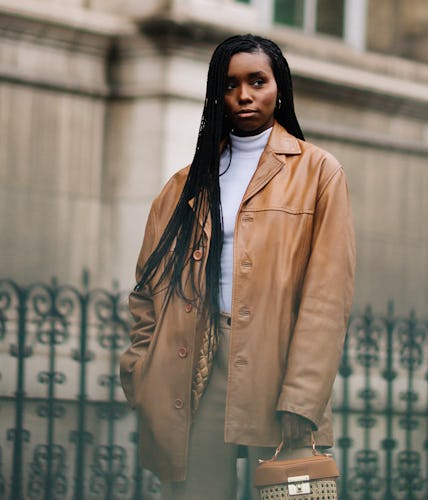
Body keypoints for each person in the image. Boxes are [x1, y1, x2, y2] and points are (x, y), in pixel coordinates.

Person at [120, 33, 356, 499]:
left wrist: (304, 395)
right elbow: (148, 287)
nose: (244, 95)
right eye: (230, 85)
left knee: (292, 493)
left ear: (279, 88)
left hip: (279, 366)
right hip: (193, 369)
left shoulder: (319, 173)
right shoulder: (185, 184)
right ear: (217, 94)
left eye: (257, 81)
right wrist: (140, 367)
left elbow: (328, 297)